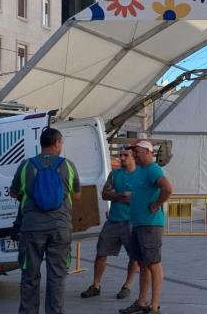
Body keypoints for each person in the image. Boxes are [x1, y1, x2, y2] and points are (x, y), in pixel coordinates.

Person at [10, 128, 81, 314]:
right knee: (57, 276)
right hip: (60, 228)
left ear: (41, 143)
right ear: (57, 143)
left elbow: (14, 192)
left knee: (29, 276)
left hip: (32, 228)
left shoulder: (26, 166)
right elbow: (78, 194)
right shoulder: (68, 166)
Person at [120, 141, 173, 314]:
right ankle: (142, 302)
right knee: (143, 264)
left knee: (153, 263)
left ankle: (154, 305)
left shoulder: (153, 169)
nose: (134, 154)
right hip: (138, 223)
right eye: (133, 152)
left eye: (137, 151)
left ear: (148, 152)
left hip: (150, 224)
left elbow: (167, 188)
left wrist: (157, 204)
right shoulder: (140, 171)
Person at [81, 148, 139, 300]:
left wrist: (125, 196)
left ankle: (127, 286)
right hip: (113, 221)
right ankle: (96, 285)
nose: (122, 158)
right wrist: (122, 195)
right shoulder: (115, 174)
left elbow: (141, 198)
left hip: (131, 222)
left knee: (134, 256)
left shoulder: (140, 176)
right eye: (120, 155)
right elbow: (105, 194)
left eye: (125, 155)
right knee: (101, 254)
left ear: (133, 157)